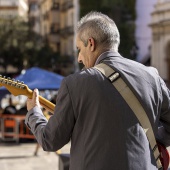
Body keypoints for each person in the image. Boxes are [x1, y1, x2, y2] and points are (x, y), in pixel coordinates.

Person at [25, 11, 170, 170]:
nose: (79, 58)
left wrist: (34, 112)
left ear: (91, 43)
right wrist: (152, 141)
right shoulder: (151, 76)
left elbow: (50, 140)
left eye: (79, 49)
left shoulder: (74, 84)